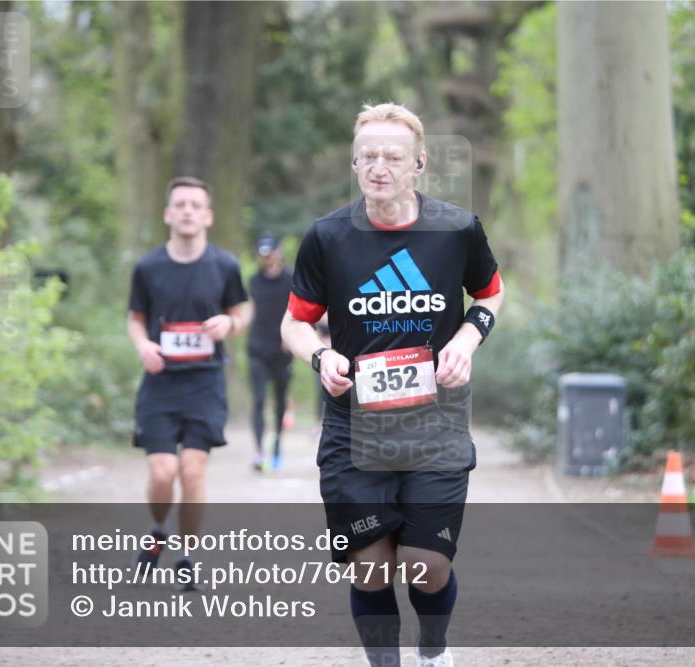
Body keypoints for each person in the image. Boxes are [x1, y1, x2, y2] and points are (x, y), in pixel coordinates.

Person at [280, 104, 504, 667]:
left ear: (418, 164)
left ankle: (433, 649)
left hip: (436, 424)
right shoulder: (327, 237)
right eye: (369, 155)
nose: (380, 166)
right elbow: (294, 322)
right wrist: (321, 356)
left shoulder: (456, 230)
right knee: (371, 565)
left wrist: (466, 340)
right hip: (355, 427)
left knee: (426, 569)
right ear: (355, 163)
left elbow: (492, 294)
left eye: (393, 157)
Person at [127, 176, 250, 590]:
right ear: (168, 213)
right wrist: (143, 345)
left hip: (205, 383)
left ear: (208, 216)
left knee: (193, 470)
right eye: (180, 204)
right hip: (160, 384)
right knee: (163, 471)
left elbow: (243, 310)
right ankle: (158, 530)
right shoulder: (147, 267)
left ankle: (188, 554)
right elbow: (135, 318)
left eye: (195, 205)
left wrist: (230, 322)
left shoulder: (225, 265)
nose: (187, 211)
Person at [247, 234, 294, 472]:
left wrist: (294, 338)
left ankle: (276, 447)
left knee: (279, 403)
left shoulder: (291, 279)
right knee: (258, 399)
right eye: (262, 254)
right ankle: (258, 451)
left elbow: (300, 311)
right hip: (257, 348)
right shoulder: (254, 281)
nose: (266, 258)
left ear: (278, 253)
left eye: (270, 253)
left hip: (282, 350)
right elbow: (249, 311)